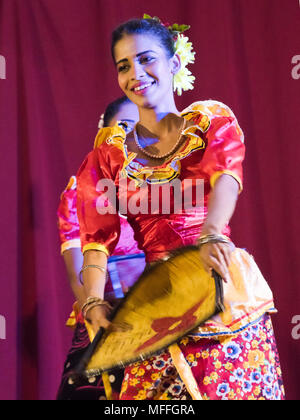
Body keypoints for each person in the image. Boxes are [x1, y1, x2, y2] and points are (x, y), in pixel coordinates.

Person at [76, 17, 285, 400]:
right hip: (156, 301)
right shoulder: (108, 154)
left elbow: (227, 176)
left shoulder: (208, 123)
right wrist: (92, 298)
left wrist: (212, 232)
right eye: (123, 66)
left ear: (174, 64)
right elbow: (95, 236)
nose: (135, 73)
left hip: (221, 291)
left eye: (146, 59)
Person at [56, 96, 144, 400]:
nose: (128, 135)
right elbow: (77, 276)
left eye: (138, 127)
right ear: (102, 130)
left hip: (157, 318)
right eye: (121, 125)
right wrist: (97, 312)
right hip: (103, 320)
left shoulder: (158, 187)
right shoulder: (81, 191)